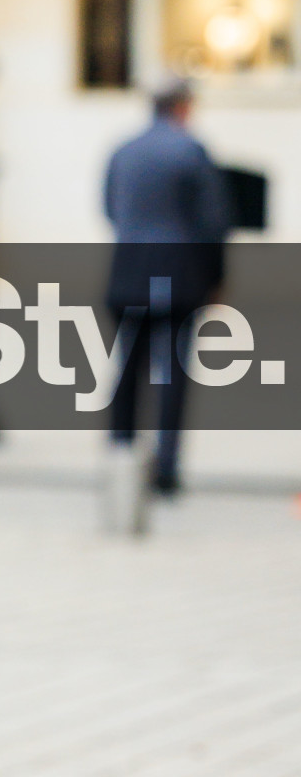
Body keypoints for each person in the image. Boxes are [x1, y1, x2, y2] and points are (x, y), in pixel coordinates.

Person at [103, 76, 230, 497]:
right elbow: (214, 223)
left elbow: (108, 208)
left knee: (128, 368)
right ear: (183, 107)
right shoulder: (191, 151)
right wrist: (216, 278)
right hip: (180, 276)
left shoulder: (124, 150)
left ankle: (120, 455)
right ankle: (166, 468)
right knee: (173, 372)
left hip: (129, 272)